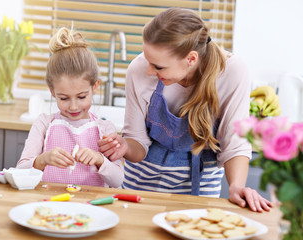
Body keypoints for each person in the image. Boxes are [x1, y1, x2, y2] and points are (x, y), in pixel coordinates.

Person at [98, 8, 272, 211]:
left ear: (191, 59)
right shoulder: (138, 70)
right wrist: (125, 146)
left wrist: (236, 187)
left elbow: (234, 145)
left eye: (158, 67)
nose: (148, 70)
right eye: (148, 60)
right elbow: (138, 143)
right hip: (141, 186)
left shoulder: (232, 72)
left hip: (200, 189)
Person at [17, 27, 124, 188]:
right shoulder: (44, 124)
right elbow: (20, 171)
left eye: (81, 97)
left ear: (95, 87)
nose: (73, 106)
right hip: (48, 205)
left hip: (90, 207)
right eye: (64, 98)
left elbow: (119, 181)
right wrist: (42, 160)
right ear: (52, 91)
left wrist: (99, 159)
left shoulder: (105, 129)